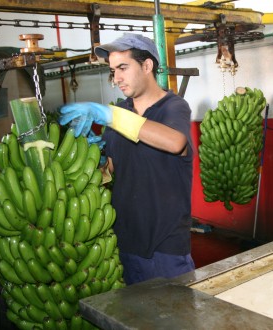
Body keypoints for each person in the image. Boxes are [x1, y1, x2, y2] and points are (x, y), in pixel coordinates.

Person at [59, 33, 195, 285]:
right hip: (123, 240)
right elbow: (110, 171)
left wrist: (108, 115)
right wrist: (93, 156)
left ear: (147, 66)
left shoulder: (173, 107)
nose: (117, 78)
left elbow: (175, 143)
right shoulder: (121, 111)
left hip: (163, 245)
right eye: (113, 71)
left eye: (123, 67)